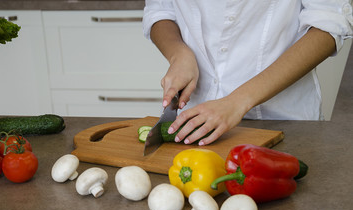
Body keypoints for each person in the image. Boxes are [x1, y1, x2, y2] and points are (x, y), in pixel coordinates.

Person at [142, 1, 353, 146]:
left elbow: (327, 25)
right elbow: (161, 9)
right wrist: (178, 54)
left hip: (283, 123)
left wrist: (239, 100)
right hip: (195, 122)